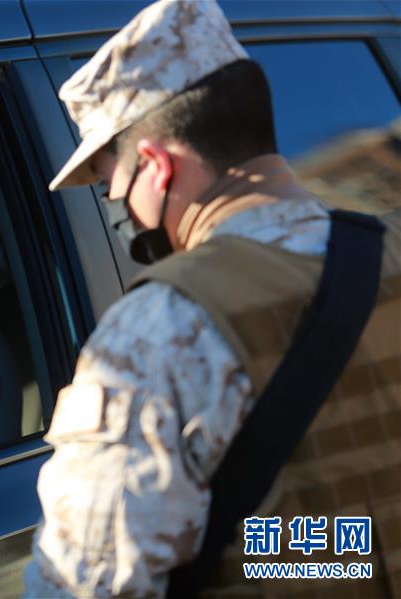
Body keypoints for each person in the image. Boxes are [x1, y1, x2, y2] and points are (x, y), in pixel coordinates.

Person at [23, 0, 400, 597]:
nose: (121, 212)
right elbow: (343, 540)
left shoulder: (158, 329)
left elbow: (84, 587)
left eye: (111, 188)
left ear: (155, 166)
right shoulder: (392, 252)